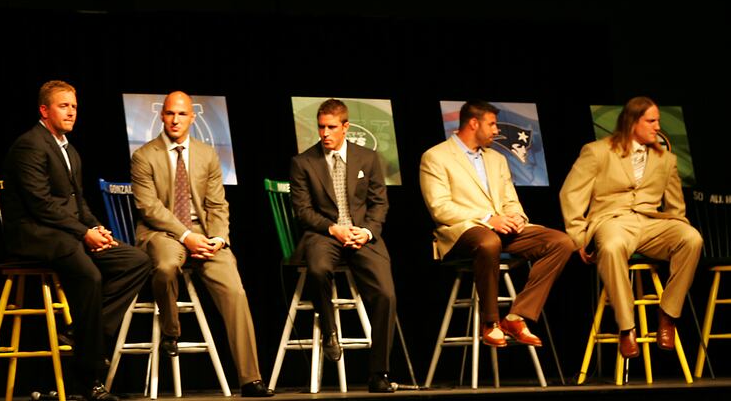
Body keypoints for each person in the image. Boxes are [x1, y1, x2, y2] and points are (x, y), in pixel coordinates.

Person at [2, 80, 152, 401]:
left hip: (63, 232)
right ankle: (90, 377)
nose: (71, 112)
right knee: (90, 275)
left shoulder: (69, 149)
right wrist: (83, 233)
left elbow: (78, 202)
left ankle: (83, 334)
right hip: (34, 234)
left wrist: (98, 228)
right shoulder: (30, 145)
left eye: (74, 106)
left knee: (136, 260)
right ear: (45, 110)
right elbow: (40, 205)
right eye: (63, 106)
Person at [130, 91, 273, 397]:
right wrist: (186, 236)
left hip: (205, 234)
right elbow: (149, 208)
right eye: (170, 113)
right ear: (162, 116)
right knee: (167, 267)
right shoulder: (144, 156)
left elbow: (218, 204)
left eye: (182, 114)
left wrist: (218, 238)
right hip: (164, 233)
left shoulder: (207, 154)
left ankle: (251, 378)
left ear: (192, 117)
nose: (175, 119)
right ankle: (171, 330)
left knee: (235, 290)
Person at [419, 100, 574, 348]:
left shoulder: (496, 159)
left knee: (561, 242)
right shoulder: (436, 156)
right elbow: (440, 207)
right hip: (463, 231)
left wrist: (516, 217)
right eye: (491, 124)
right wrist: (487, 218)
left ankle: (516, 317)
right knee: (488, 241)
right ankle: (490, 322)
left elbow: (511, 199)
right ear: (473, 123)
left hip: (501, 229)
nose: (496, 130)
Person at [559, 96, 702, 359]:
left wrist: (677, 225)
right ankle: (627, 327)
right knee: (612, 247)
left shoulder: (666, 159)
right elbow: (571, 194)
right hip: (612, 220)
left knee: (692, 238)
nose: (657, 126)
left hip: (652, 223)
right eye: (651, 120)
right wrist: (579, 237)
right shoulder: (597, 150)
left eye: (658, 120)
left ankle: (668, 314)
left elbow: (675, 205)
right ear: (632, 122)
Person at [289, 98, 397, 393]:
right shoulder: (303, 162)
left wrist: (367, 231)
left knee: (386, 293)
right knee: (319, 268)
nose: (325, 133)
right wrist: (333, 228)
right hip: (324, 233)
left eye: (331, 127)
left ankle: (379, 373)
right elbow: (303, 210)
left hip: (361, 234)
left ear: (346, 127)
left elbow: (378, 203)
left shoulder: (368, 158)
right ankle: (329, 329)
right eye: (321, 127)